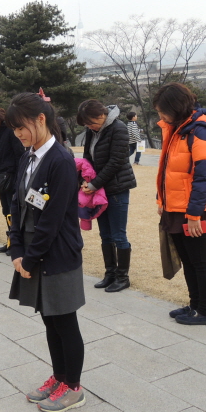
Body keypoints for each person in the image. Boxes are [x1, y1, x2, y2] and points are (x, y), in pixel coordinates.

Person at [6, 91, 86, 412]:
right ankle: (59, 377)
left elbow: (52, 220)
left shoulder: (61, 160)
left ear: (41, 119)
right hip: (32, 252)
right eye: (14, 129)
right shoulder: (27, 157)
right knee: (50, 321)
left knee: (65, 322)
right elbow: (16, 203)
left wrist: (30, 257)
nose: (18, 134)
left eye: (21, 127)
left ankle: (74, 387)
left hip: (57, 254)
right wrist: (16, 248)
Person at [154, 82, 206, 326]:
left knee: (201, 262)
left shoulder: (201, 130)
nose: (161, 116)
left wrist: (195, 215)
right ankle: (195, 305)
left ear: (176, 107)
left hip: (195, 210)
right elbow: (168, 170)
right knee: (189, 261)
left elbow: (204, 177)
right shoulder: (177, 129)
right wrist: (161, 200)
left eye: (162, 111)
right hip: (175, 207)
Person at [77, 100, 137, 293]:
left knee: (119, 235)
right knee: (105, 234)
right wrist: (84, 179)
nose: (89, 127)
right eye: (86, 124)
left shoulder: (119, 128)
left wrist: (94, 184)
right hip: (99, 189)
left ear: (101, 116)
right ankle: (110, 273)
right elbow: (87, 157)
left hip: (117, 187)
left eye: (91, 122)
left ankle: (122, 277)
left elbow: (116, 161)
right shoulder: (91, 131)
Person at [0, 105, 25, 254]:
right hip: (0, 177)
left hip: (11, 176)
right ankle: (10, 240)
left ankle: (17, 243)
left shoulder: (10, 131)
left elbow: (19, 154)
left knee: (14, 211)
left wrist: (17, 176)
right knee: (6, 210)